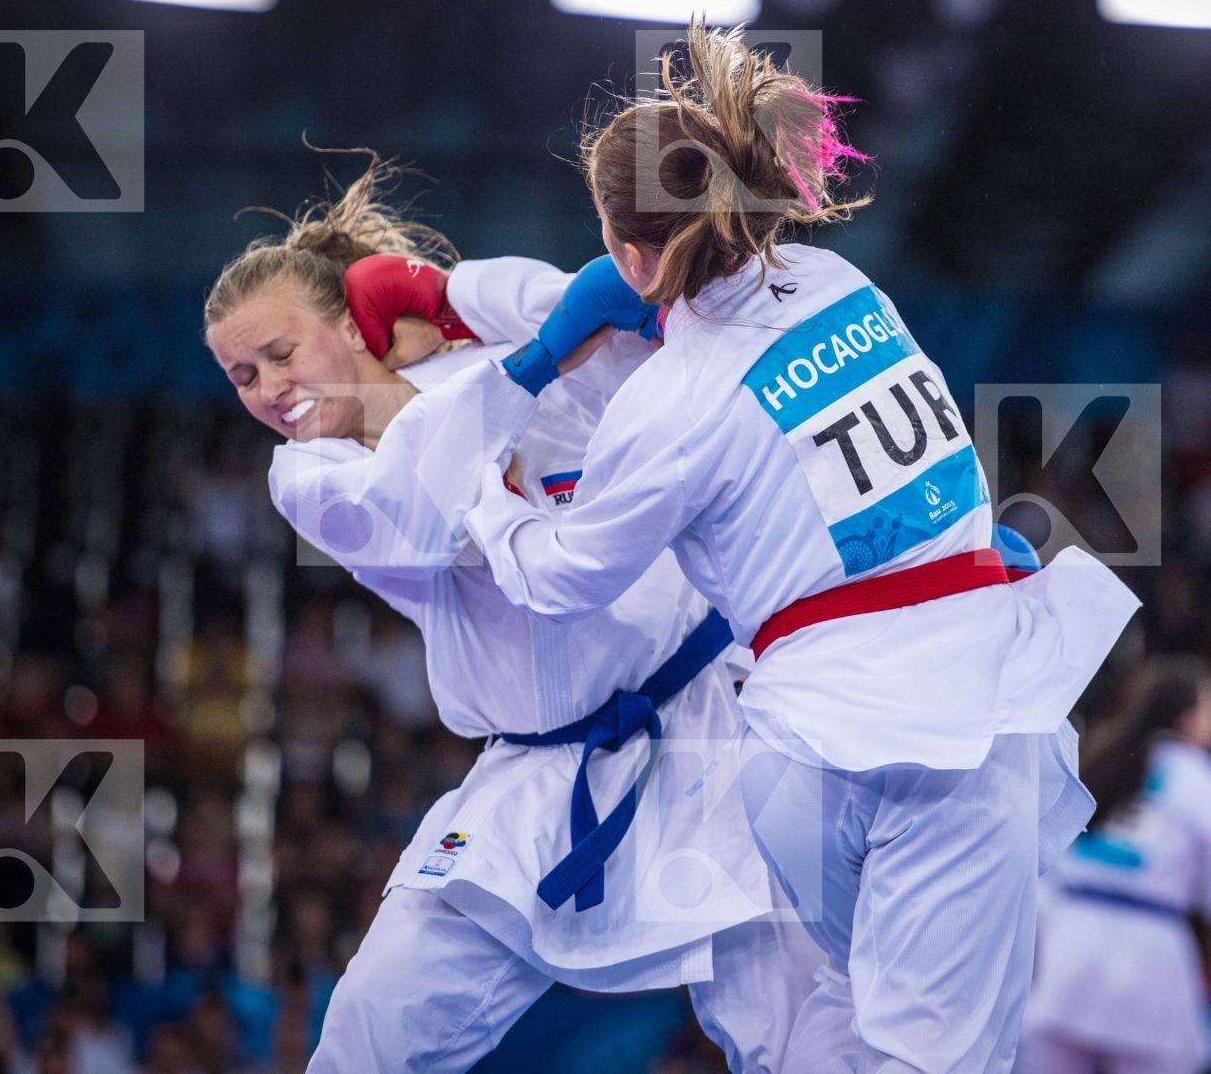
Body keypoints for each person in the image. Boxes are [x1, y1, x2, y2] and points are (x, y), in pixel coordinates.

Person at [399, 24, 1144, 1072]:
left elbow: (561, 577)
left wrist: (481, 486)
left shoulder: (666, 408)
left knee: (831, 1028)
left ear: (623, 253)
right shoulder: (843, 286)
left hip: (796, 759)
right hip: (961, 713)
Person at [201, 152, 824, 1073]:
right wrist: (526, 367)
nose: (267, 390)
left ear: (350, 321)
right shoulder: (312, 476)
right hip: (530, 783)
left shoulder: (493, 359)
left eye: (280, 353)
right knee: (369, 1034)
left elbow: (624, 304)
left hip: (712, 738)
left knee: (805, 1032)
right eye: (241, 376)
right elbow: (418, 515)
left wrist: (461, 298)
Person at [1018, 656, 1211, 1074]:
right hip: (1151, 959)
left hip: (1065, 949)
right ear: (1193, 718)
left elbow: (1039, 853)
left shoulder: (1095, 760)